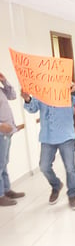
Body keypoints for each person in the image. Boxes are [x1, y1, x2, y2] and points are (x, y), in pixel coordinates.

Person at [21, 83, 75, 210]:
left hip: (66, 135)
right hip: (47, 136)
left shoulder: (68, 88)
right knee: (44, 166)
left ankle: (72, 195)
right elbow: (33, 108)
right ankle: (56, 185)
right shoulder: (41, 90)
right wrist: (27, 99)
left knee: (70, 168)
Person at [0, 72, 25, 206]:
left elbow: (13, 95)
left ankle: (6, 190)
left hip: (8, 133)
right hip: (1, 132)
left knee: (4, 163)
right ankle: (0, 195)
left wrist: (5, 81)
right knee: (0, 164)